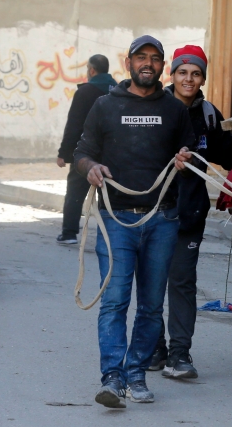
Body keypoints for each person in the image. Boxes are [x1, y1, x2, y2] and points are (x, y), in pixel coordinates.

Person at [74, 35, 195, 408]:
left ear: (163, 67)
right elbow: (82, 152)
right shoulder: (104, 106)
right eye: (141, 57)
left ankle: (136, 374)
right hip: (116, 220)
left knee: (149, 305)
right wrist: (91, 168)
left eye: (155, 58)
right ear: (128, 63)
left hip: (162, 219)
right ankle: (112, 378)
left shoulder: (175, 110)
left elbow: (188, 154)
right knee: (114, 301)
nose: (148, 63)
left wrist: (184, 160)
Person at [147, 45, 232, 379]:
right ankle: (155, 349)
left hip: (189, 216)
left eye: (196, 73)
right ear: (172, 74)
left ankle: (179, 356)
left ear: (202, 78)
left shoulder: (209, 114)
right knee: (152, 284)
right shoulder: (155, 107)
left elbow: (230, 153)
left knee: (182, 284)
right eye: (183, 72)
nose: (189, 79)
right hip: (154, 213)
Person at [55, 54, 117, 245]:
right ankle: (112, 236)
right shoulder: (119, 90)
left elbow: (73, 125)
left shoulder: (85, 92)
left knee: (75, 191)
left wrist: (64, 154)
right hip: (112, 154)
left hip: (86, 153)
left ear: (91, 70)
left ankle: (69, 233)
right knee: (109, 196)